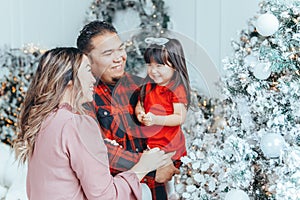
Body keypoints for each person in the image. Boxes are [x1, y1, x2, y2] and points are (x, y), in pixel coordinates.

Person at [13, 47, 173, 200]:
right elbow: (106, 196)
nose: (93, 79)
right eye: (88, 71)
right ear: (69, 80)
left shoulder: (43, 120)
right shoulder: (77, 124)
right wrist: (143, 166)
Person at [77, 21, 180, 200]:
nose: (119, 57)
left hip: (157, 192)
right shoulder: (82, 97)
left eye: (120, 49)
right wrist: (150, 168)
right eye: (108, 53)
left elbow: (167, 130)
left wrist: (170, 159)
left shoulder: (141, 86)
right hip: (118, 193)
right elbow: (97, 151)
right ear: (87, 59)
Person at [135, 37, 191, 199]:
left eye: (159, 65)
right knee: (154, 173)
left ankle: (173, 191)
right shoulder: (148, 86)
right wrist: (140, 113)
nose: (153, 70)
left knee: (168, 168)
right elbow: (140, 102)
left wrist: (157, 119)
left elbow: (179, 117)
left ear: (174, 65)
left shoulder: (176, 89)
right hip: (151, 140)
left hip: (169, 141)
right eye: (149, 65)